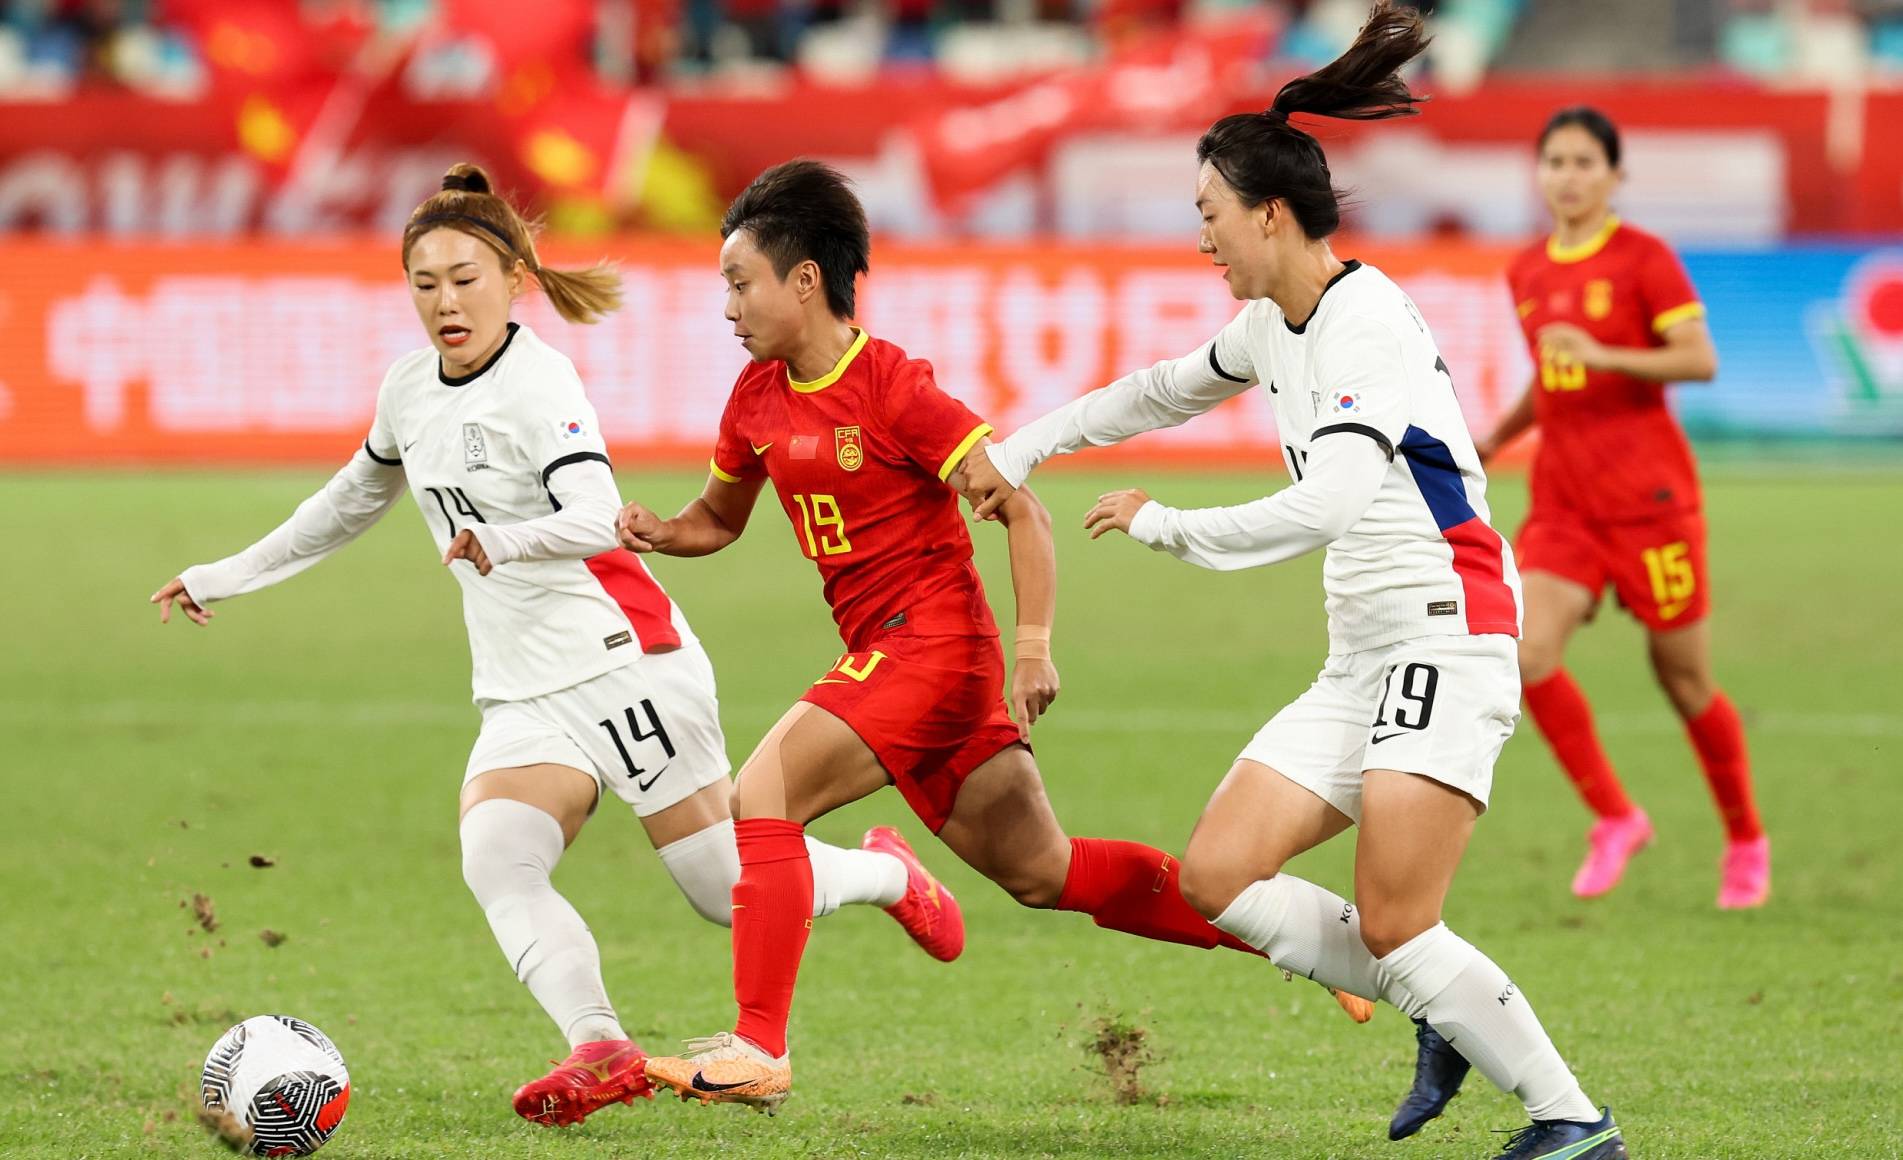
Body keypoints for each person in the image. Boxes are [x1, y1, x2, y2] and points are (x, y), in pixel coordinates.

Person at [148, 163, 949, 1130]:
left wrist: (507, 539)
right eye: (425, 283)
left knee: (720, 888)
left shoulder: (540, 383)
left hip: (621, 660)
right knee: (497, 855)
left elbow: (594, 513)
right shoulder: (409, 389)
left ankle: (888, 873)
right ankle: (600, 1045)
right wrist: (222, 574)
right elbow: (349, 501)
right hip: (522, 686)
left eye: (465, 279)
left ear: (514, 280)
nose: (445, 302)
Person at [958, 8, 1626, 1158]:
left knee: (1400, 917)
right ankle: (1439, 1000)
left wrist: (1167, 526)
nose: (1202, 240)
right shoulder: (1273, 322)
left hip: (1447, 625)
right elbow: (1158, 389)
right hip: (1362, 650)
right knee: (1219, 872)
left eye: (1209, 215)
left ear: (1269, 213)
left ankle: (1572, 1120)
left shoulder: (1367, 322)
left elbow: (1330, 502)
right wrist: (1020, 449)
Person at [616, 158, 1369, 1115]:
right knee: (1044, 872)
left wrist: (1033, 646)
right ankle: (1308, 943)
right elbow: (716, 520)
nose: (726, 306)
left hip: (932, 646)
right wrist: (660, 531)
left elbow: (1021, 510)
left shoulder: (893, 388)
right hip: (893, 660)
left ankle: (757, 1047)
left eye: (739, 282)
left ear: (803, 280)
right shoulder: (755, 398)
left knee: (761, 793)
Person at [1478, 106, 1767, 908]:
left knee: (1683, 681)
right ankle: (1615, 817)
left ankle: (1745, 839)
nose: (1566, 177)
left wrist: (1604, 352)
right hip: (1564, 504)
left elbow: (1698, 359)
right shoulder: (1525, 271)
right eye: (1554, 162)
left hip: (1649, 505)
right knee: (1525, 654)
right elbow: (1553, 378)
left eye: (1583, 163)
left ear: (1614, 175)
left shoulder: (1645, 259)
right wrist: (1495, 436)